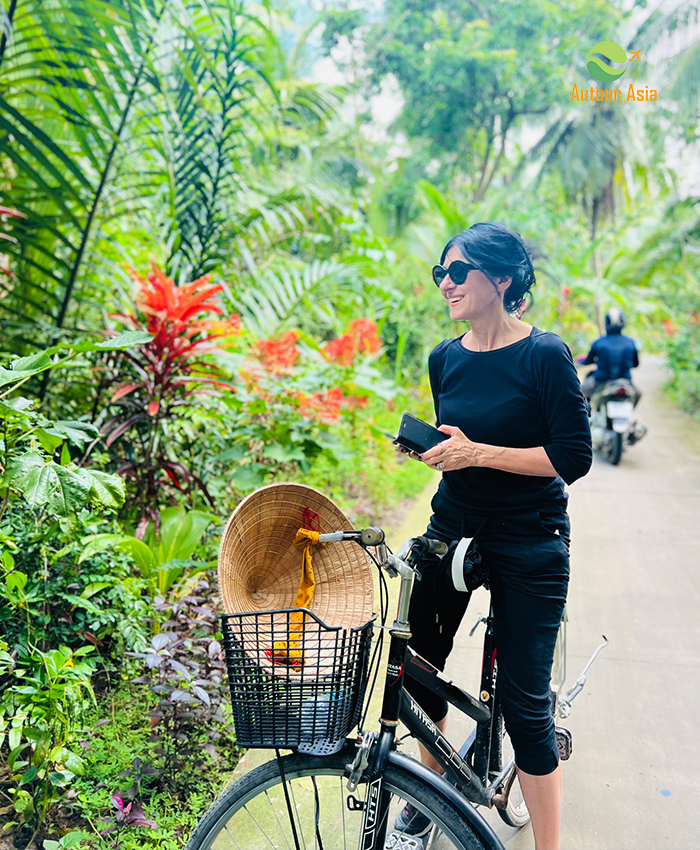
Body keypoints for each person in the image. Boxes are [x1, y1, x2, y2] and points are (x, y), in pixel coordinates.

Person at [395, 222, 592, 850]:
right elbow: (461, 444)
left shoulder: (544, 355)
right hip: (452, 529)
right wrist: (441, 453)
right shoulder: (444, 358)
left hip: (530, 538)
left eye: (459, 272)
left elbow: (573, 457)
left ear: (501, 279)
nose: (446, 283)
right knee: (418, 674)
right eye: (441, 273)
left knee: (527, 708)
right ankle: (430, 800)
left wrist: (479, 454)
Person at [580, 308, 640, 399]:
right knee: (638, 394)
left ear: (606, 323)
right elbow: (636, 364)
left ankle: (587, 412)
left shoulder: (599, 342)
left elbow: (588, 361)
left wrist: (581, 361)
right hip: (625, 381)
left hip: (601, 380)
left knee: (581, 394)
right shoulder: (630, 342)